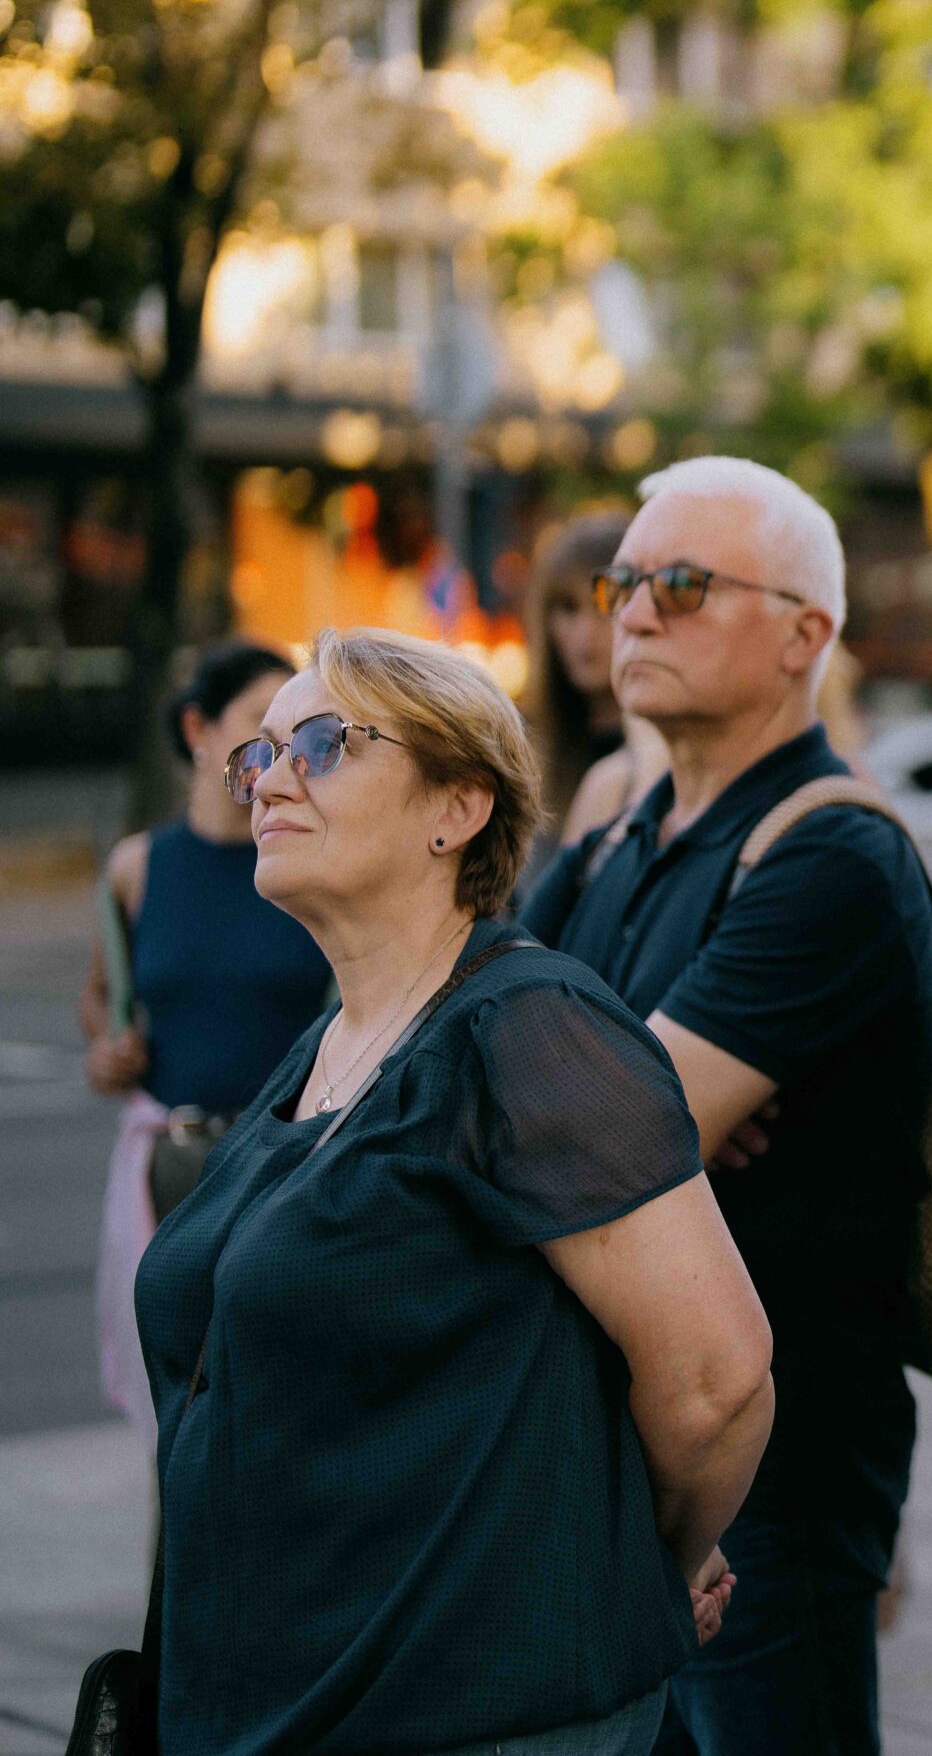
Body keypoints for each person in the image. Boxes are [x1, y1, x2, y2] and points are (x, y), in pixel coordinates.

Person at [134, 627, 773, 1756]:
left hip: (465, 1710)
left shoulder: (529, 1028)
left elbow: (715, 1382)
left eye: (323, 745)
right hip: (265, 1701)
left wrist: (634, 1569)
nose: (269, 776)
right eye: (260, 754)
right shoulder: (333, 1038)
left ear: (457, 808)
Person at [522, 456, 932, 1756]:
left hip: (771, 1479)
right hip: (605, 1455)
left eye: (686, 585)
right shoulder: (610, 843)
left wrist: (618, 1103)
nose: (633, 613)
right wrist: (633, 1094)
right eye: (624, 582)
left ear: (805, 633)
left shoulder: (834, 853)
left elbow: (594, 1142)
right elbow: (466, 1083)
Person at [82, 640, 334, 1447]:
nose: (278, 754)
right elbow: (102, 998)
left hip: (288, 1167)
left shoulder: (307, 862)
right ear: (197, 726)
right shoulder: (138, 868)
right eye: (258, 726)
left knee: (279, 1411)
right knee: (183, 1422)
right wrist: (108, 1049)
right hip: (174, 1171)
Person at [521, 508, 642, 880]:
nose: (585, 633)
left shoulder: (669, 753)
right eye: (568, 608)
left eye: (605, 606)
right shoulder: (524, 751)